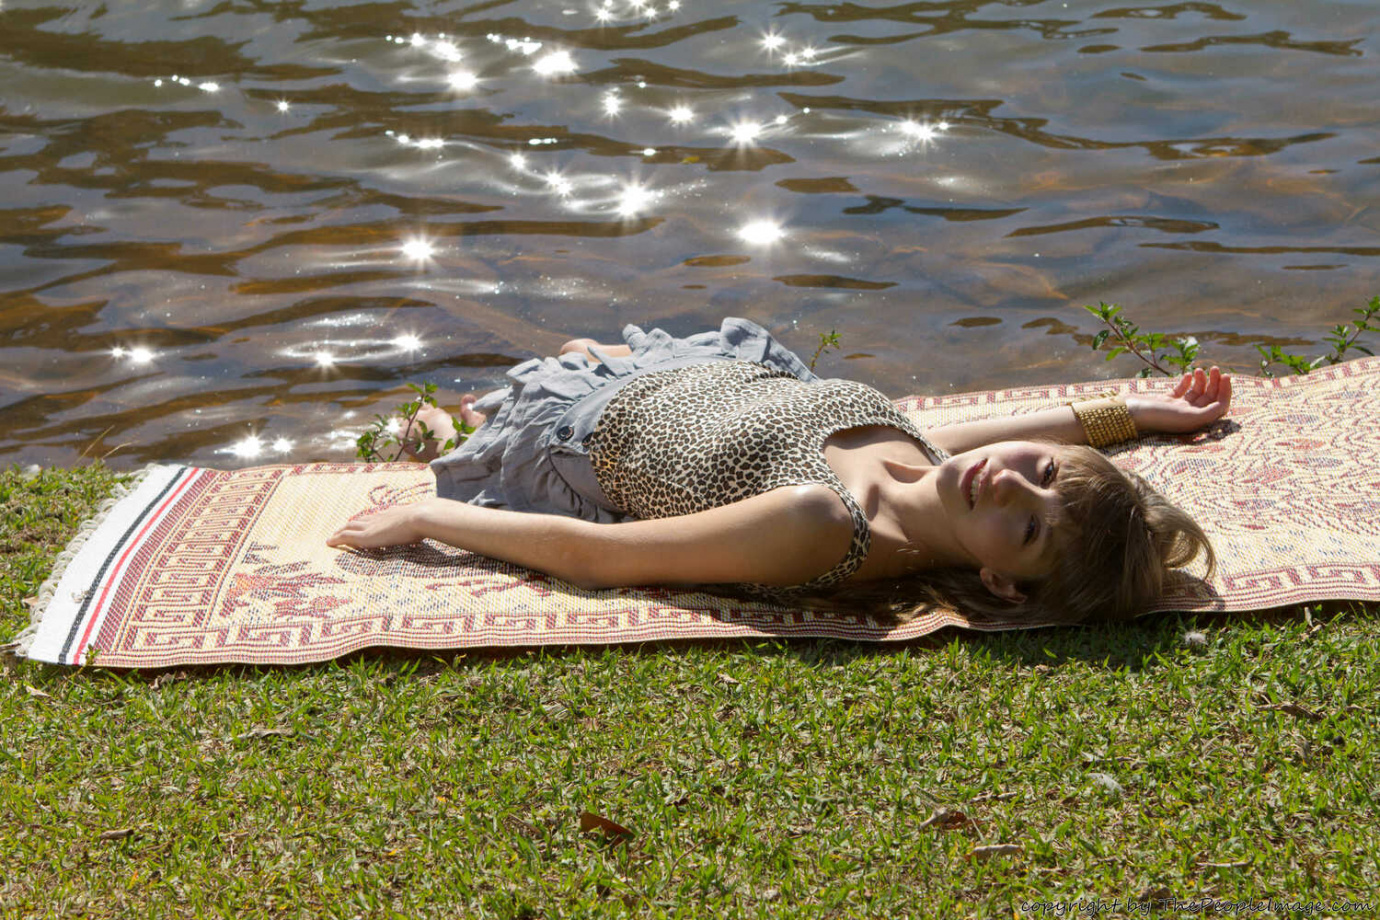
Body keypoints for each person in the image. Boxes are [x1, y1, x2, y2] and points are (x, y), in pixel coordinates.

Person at [326, 318, 1227, 625]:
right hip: (696, 374)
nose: (1009, 482)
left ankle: (458, 425)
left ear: (1001, 580)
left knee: (442, 426)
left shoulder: (824, 525)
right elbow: (1003, 429)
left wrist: (428, 521)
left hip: (583, 434)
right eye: (1043, 474)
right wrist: (1140, 412)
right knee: (572, 347)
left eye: (1027, 525)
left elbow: (601, 559)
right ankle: (507, 392)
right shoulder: (937, 471)